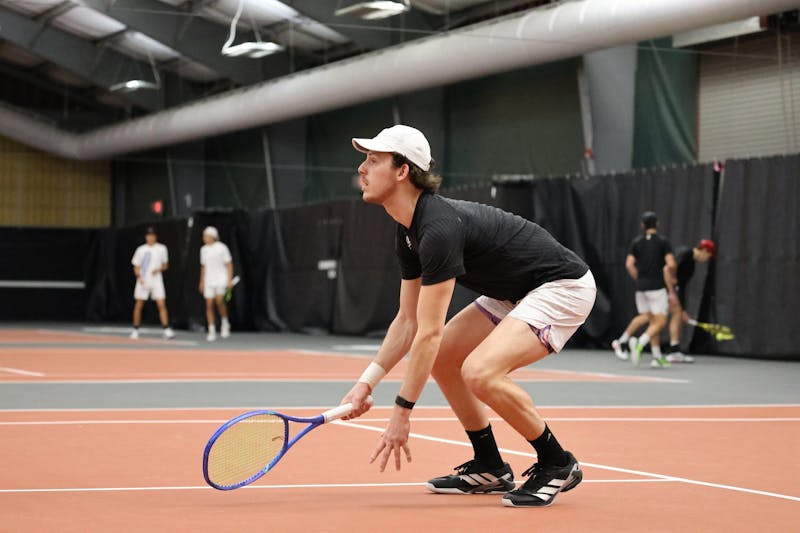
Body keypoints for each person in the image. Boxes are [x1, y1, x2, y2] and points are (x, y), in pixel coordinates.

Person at [339, 125, 597, 508]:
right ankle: (491, 467)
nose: (362, 169)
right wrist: (366, 383)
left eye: (373, 160)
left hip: (561, 286)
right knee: (446, 359)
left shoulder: (438, 228)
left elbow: (427, 333)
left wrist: (401, 412)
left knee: (480, 371)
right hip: (511, 293)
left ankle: (556, 462)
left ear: (402, 171)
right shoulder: (408, 231)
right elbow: (407, 322)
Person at [610, 212, 676, 368]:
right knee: (660, 322)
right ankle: (640, 342)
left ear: (642, 225)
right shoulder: (663, 242)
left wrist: (638, 279)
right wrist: (672, 276)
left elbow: (629, 264)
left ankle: (656, 356)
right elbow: (671, 264)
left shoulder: (637, 242)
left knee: (651, 321)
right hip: (657, 287)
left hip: (641, 288)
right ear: (657, 224)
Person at [663, 239, 716, 363]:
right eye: (709, 256)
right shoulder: (685, 254)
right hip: (662, 289)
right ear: (704, 251)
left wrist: (684, 309)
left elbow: (682, 286)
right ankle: (673, 351)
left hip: (668, 289)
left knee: (666, 317)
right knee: (666, 317)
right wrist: (671, 291)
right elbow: (667, 269)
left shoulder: (690, 261)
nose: (707, 259)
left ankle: (673, 350)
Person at [130, 227, 175, 339]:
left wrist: (158, 269)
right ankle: (135, 329)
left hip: (156, 280)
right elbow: (136, 265)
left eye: (152, 235)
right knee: (139, 304)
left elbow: (165, 264)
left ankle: (166, 329)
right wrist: (139, 276)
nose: (150, 237)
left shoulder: (161, 249)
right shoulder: (141, 250)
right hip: (143, 279)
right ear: (146, 237)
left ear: (155, 237)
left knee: (161, 304)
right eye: (148, 235)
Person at [199, 226, 234, 342]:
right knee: (209, 304)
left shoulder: (222, 248)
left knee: (219, 302)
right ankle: (212, 330)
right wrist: (202, 281)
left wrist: (229, 280)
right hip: (209, 280)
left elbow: (229, 264)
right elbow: (203, 267)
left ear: (213, 236)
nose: (204, 238)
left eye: (206, 236)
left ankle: (225, 323)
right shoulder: (203, 250)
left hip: (221, 279)